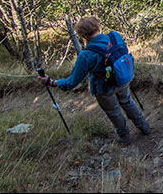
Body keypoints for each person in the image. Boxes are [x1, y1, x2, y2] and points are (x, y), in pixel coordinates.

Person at [37, 16, 150, 144]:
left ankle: (124, 137)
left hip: (104, 87)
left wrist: (52, 82)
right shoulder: (114, 37)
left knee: (113, 111)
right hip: (123, 78)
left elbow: (71, 82)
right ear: (97, 26)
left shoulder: (86, 55)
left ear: (82, 35)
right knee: (127, 102)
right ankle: (144, 127)